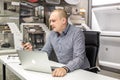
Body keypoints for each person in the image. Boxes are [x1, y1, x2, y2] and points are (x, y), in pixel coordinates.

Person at [22, 9, 90, 77]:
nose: (51, 24)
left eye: (53, 21)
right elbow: (45, 52)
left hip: (81, 71)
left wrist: (65, 68)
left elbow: (79, 58)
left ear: (63, 20)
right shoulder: (52, 34)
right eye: (50, 21)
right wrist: (31, 51)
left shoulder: (77, 33)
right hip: (63, 69)